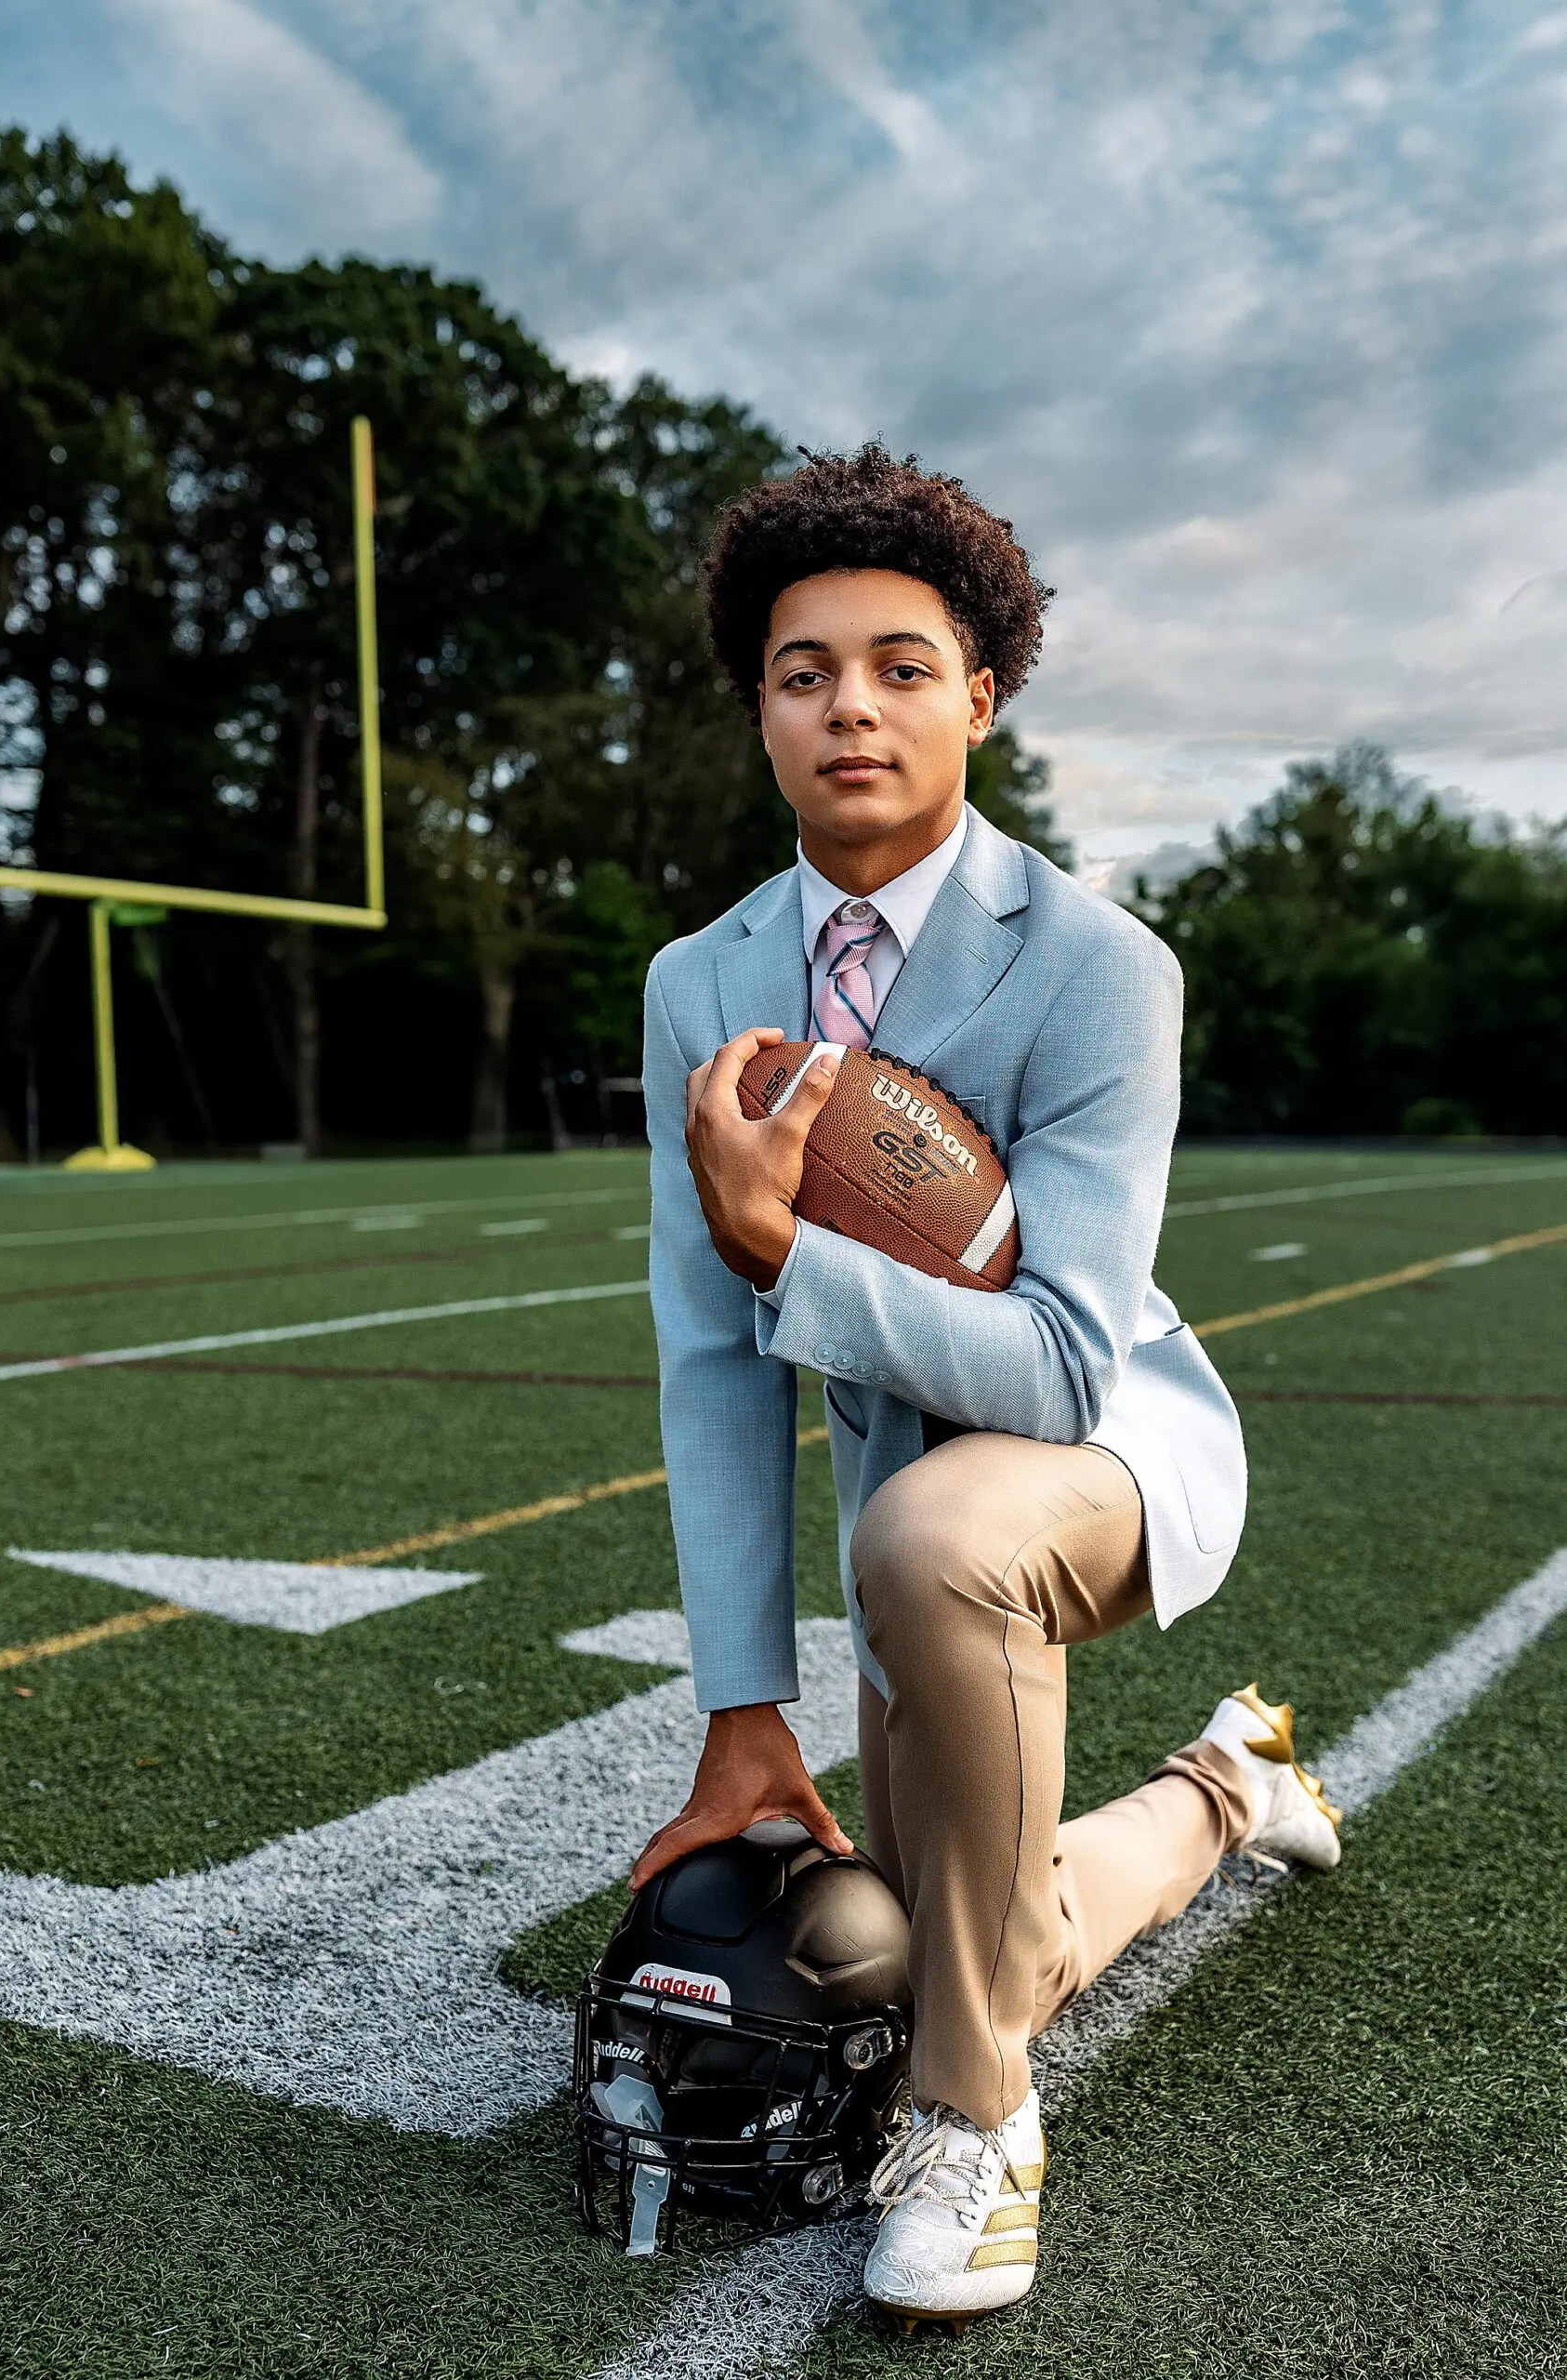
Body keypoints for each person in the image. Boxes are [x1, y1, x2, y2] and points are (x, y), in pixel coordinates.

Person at [631, 446, 1342, 2325]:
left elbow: (1048, 1354)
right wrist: (739, 1709)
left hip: (1104, 1438)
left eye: (898, 662)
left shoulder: (1101, 964)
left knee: (936, 1535)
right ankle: (1224, 1779)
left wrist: (790, 1249)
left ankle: (973, 2124)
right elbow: (708, 1356)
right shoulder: (697, 984)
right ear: (760, 708)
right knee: (986, 1936)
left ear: (979, 696)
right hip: (902, 1499)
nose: (848, 704)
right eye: (801, 671)